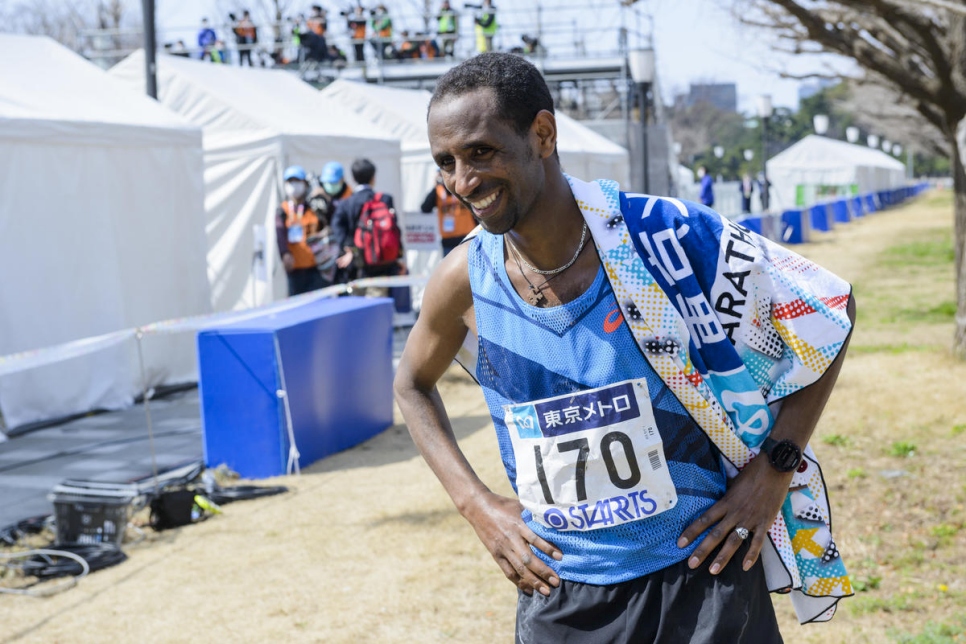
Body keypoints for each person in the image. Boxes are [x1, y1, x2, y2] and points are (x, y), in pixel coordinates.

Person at [394, 52, 855, 642]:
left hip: (701, 572)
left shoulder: (665, 236)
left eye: (480, 152)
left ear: (542, 133)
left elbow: (827, 310)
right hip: (561, 590)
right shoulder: (464, 278)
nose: (462, 182)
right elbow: (410, 383)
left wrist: (774, 470)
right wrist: (475, 505)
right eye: (446, 163)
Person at [332, 158, 402, 289]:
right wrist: (399, 257)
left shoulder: (346, 204)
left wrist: (349, 247)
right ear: (373, 177)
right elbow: (395, 230)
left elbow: (337, 228)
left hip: (357, 264)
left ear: (353, 179)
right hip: (385, 263)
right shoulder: (385, 199)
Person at [275, 165, 326, 296]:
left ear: (305, 184)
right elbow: (280, 234)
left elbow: (327, 224)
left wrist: (322, 197)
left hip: (316, 268)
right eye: (290, 182)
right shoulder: (283, 210)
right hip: (295, 269)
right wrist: (284, 253)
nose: (294, 185)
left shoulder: (314, 206)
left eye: (297, 181)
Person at [421, 169, 476, 255]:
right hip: (448, 241)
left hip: (468, 237)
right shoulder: (438, 191)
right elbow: (425, 208)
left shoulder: (463, 188)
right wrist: (435, 186)